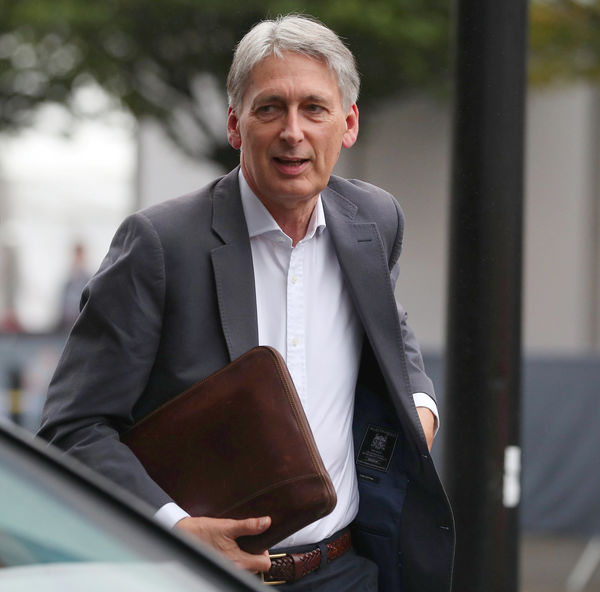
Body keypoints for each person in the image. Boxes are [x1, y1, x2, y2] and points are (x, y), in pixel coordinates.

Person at [38, 14, 454, 592]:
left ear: (348, 123)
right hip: (198, 578)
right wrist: (174, 527)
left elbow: (391, 332)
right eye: (269, 109)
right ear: (235, 125)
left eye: (314, 108)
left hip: (346, 571)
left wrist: (420, 405)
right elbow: (72, 427)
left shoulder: (373, 221)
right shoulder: (161, 245)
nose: (293, 132)